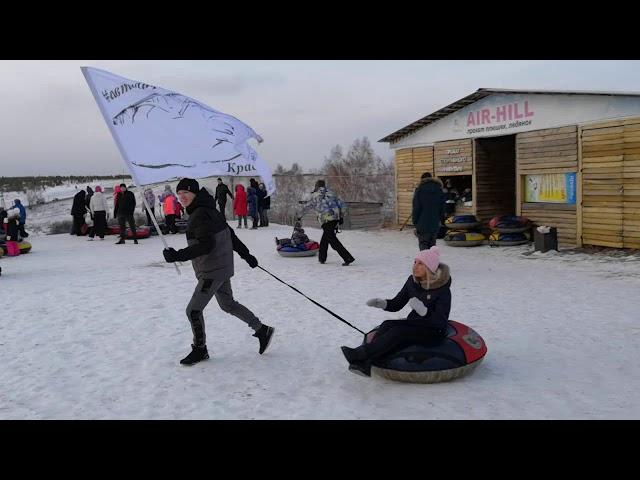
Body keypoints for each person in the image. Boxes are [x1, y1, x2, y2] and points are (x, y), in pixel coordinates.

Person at [161, 178, 275, 366]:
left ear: (195, 193)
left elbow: (206, 245)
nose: (182, 198)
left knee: (193, 311)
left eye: (186, 194)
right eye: (179, 194)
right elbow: (230, 234)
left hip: (212, 270)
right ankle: (262, 330)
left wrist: (177, 256)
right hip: (221, 267)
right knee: (228, 304)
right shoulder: (210, 209)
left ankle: (200, 349)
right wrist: (246, 255)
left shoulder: (200, 214)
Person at [340, 246, 451, 377]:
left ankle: (360, 354)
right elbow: (397, 303)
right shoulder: (412, 281)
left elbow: (441, 322)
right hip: (415, 323)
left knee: (399, 332)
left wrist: (423, 311)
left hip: (432, 331)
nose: (415, 266)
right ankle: (365, 363)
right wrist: (382, 303)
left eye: (421, 263)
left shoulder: (443, 291)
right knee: (387, 324)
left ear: (429, 268)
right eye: (415, 262)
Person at [298, 179, 355, 266]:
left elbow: (307, 207)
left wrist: (299, 216)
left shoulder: (315, 196)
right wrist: (342, 216)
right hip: (335, 218)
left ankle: (347, 257)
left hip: (325, 220)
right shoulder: (332, 193)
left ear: (316, 186)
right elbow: (343, 205)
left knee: (332, 240)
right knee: (325, 238)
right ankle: (322, 258)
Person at [412, 172, 445, 251]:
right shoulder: (439, 190)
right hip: (434, 224)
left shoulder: (419, 190)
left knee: (423, 246)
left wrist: (415, 222)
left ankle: (425, 262)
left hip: (422, 224)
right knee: (432, 246)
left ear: (422, 179)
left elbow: (416, 208)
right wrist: (440, 220)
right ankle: (432, 262)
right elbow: (442, 208)